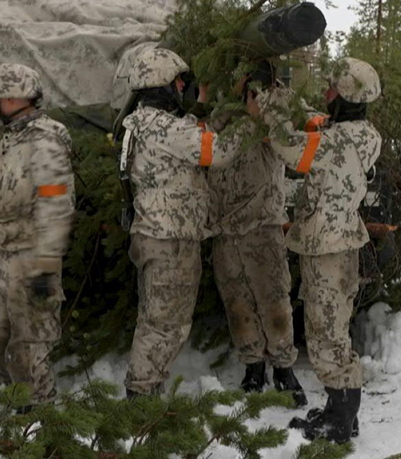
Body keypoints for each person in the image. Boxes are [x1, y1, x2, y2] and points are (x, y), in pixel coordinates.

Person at [255, 57, 382, 443]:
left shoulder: (335, 143)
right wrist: (285, 95)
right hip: (340, 243)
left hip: (328, 249)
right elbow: (319, 122)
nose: (326, 94)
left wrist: (267, 105)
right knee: (334, 327)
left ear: (345, 96)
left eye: (332, 89)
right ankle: (341, 409)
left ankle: (340, 421)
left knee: (325, 331)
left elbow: (289, 147)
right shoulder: (364, 134)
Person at [120, 47, 252, 398]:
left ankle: (145, 394)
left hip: (155, 234)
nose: (183, 86)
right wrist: (250, 121)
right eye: (177, 81)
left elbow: (195, 130)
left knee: (154, 320)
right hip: (170, 241)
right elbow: (216, 151)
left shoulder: (144, 122)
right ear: (160, 84)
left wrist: (217, 108)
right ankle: (140, 402)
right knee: (166, 325)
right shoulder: (165, 127)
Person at [0, 63, 75, 407]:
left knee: (29, 350)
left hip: (31, 258)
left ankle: (39, 415)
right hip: (0, 255)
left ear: (13, 98)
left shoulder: (45, 140)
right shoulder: (12, 137)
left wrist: (46, 264)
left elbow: (56, 206)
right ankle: (21, 398)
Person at [205, 67, 306, 407]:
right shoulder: (224, 109)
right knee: (237, 301)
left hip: (262, 222)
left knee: (274, 298)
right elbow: (208, 136)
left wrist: (261, 108)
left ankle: (284, 368)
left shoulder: (279, 104)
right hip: (225, 225)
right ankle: (253, 366)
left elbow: (293, 132)